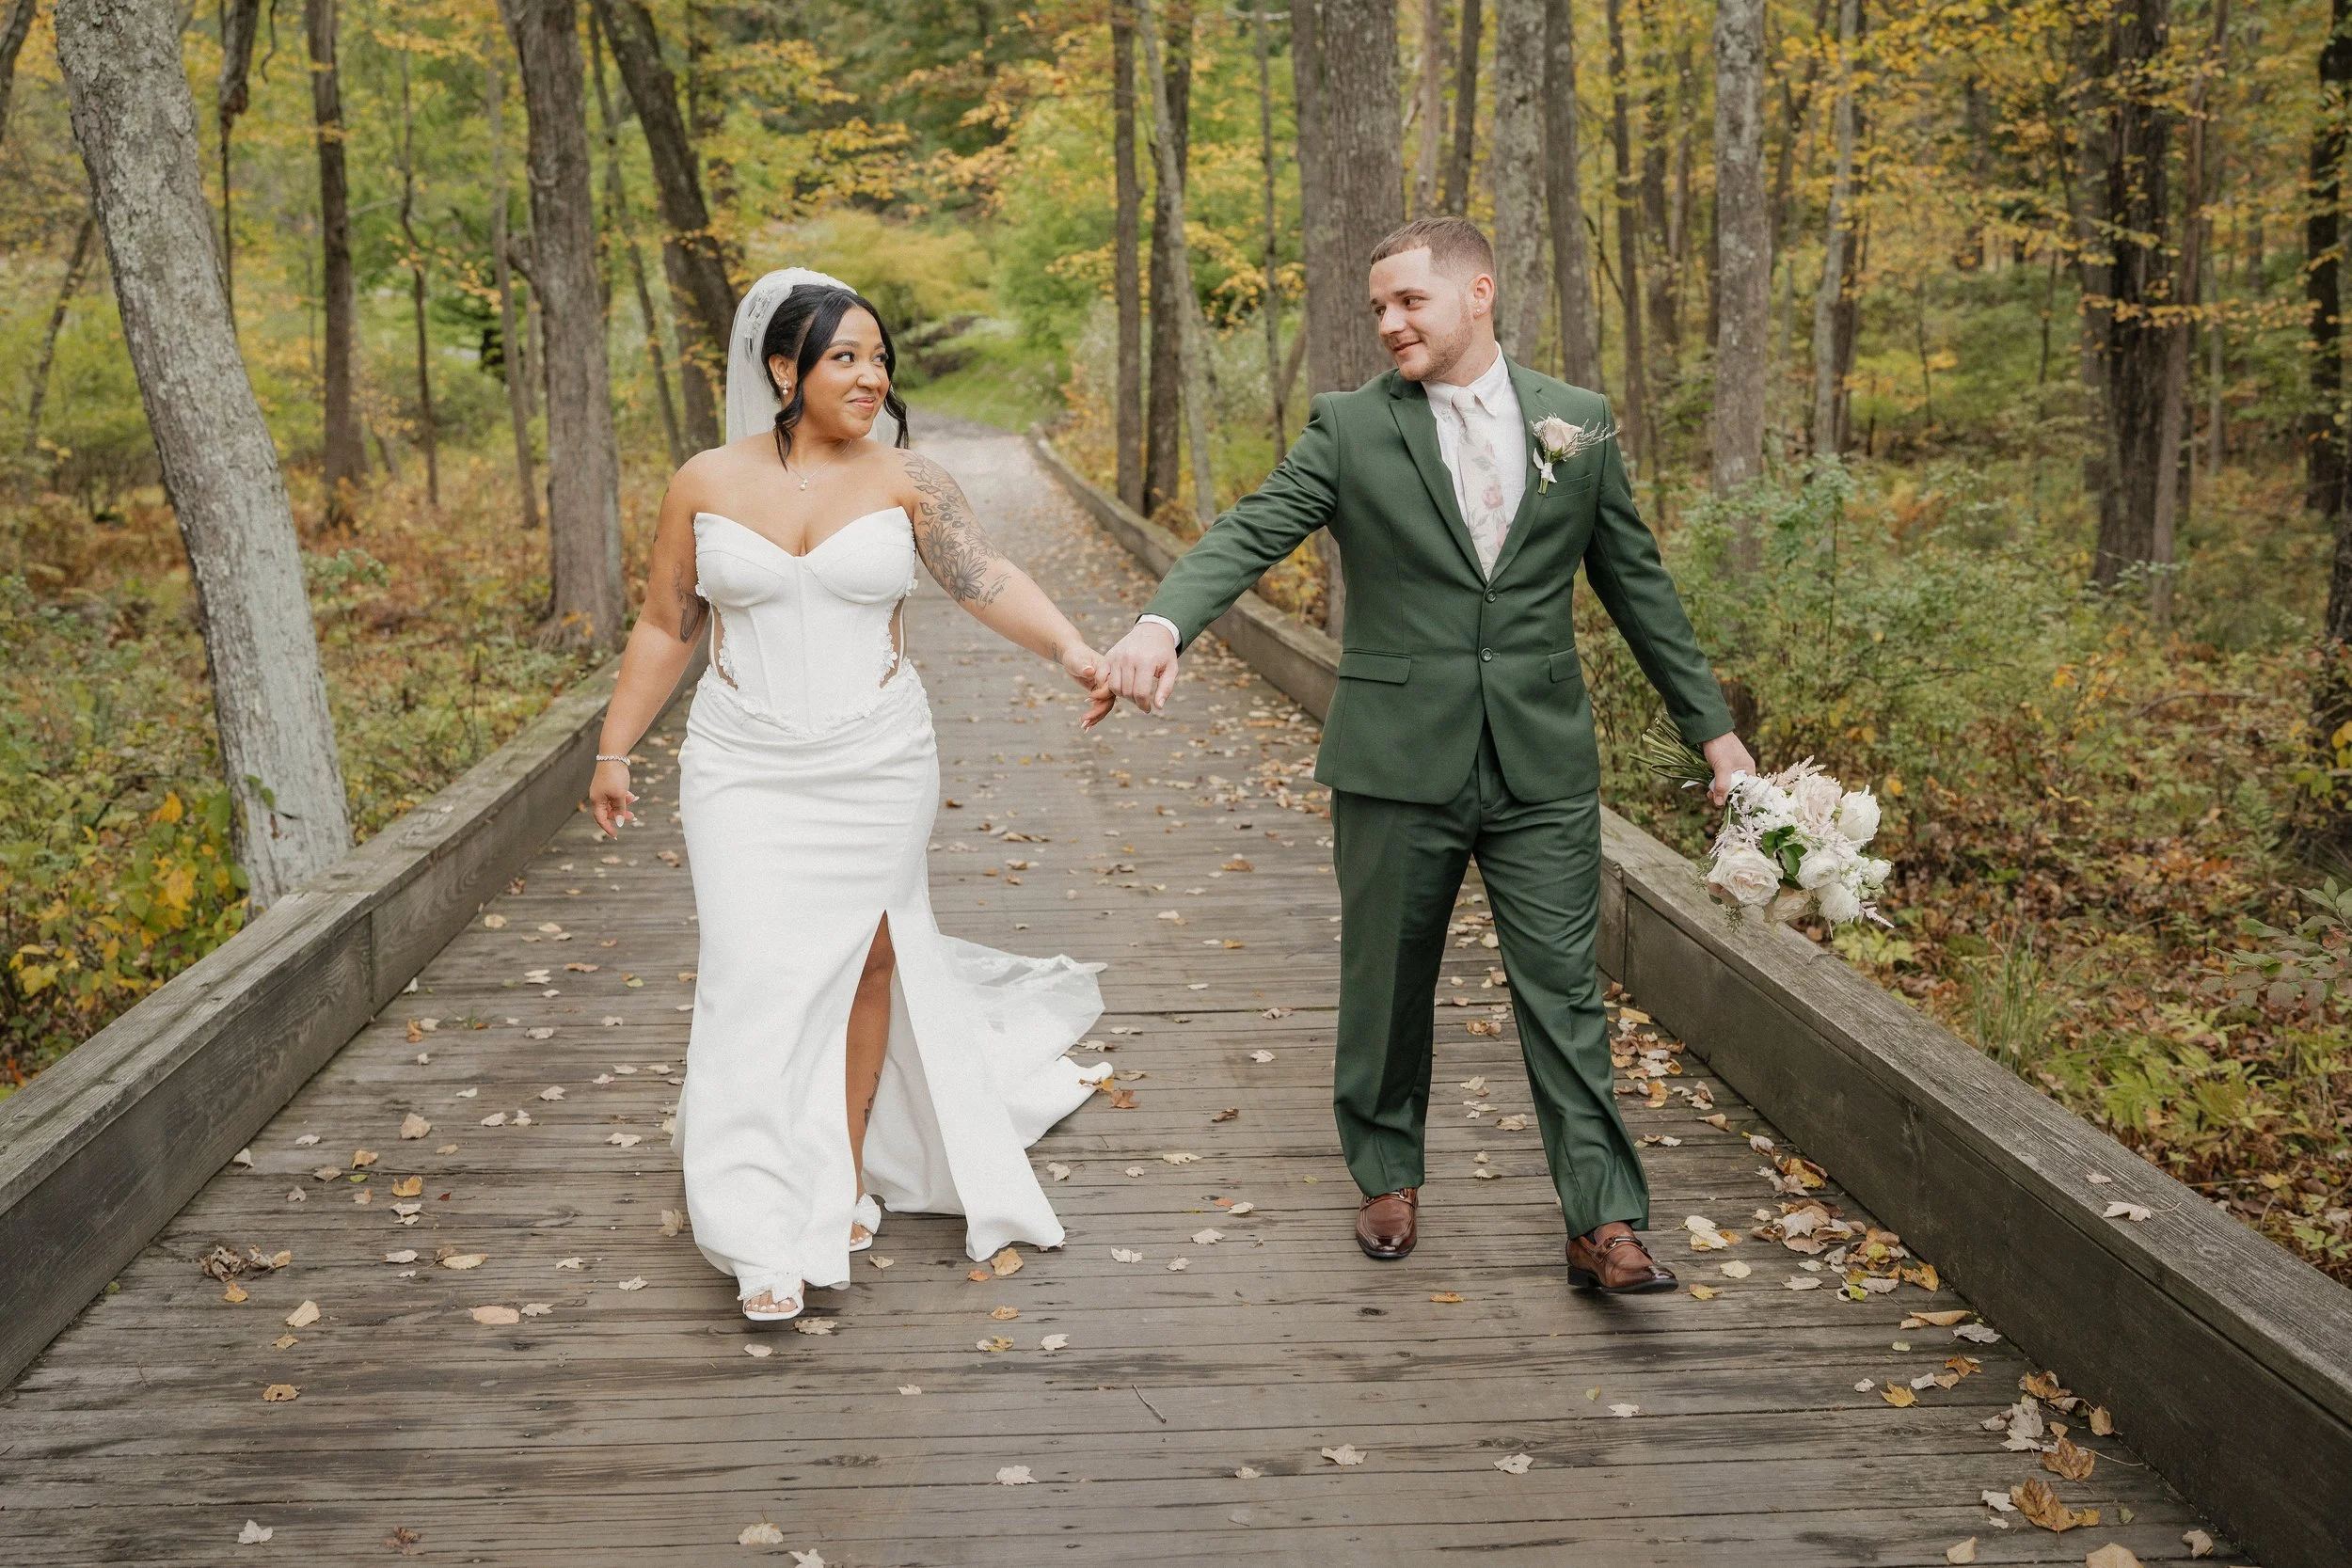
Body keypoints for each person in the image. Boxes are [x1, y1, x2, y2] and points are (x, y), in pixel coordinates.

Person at [1099, 217, 1756, 1293]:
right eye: (1378, 308)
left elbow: (1639, 589)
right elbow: (1251, 529)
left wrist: (1716, 738)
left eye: (1409, 301)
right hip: (1395, 756)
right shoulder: (1352, 428)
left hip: (1540, 760)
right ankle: (1387, 1169)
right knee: (1387, 977)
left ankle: (1603, 1216)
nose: (1390, 323)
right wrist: (1161, 626)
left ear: (1478, 293)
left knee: (1563, 990)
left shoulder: (1576, 425)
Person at [589, 268, 1117, 1323]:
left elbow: (986, 576)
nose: (872, 375)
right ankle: (756, 1228)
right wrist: (613, 748)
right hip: (739, 759)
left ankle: (844, 1179)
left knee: (870, 954)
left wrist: (1072, 647)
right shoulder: (703, 480)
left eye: (880, 358)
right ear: (783, 368)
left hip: (877, 754)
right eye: (846, 357)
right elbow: (664, 623)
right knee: (751, 970)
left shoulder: (908, 480)